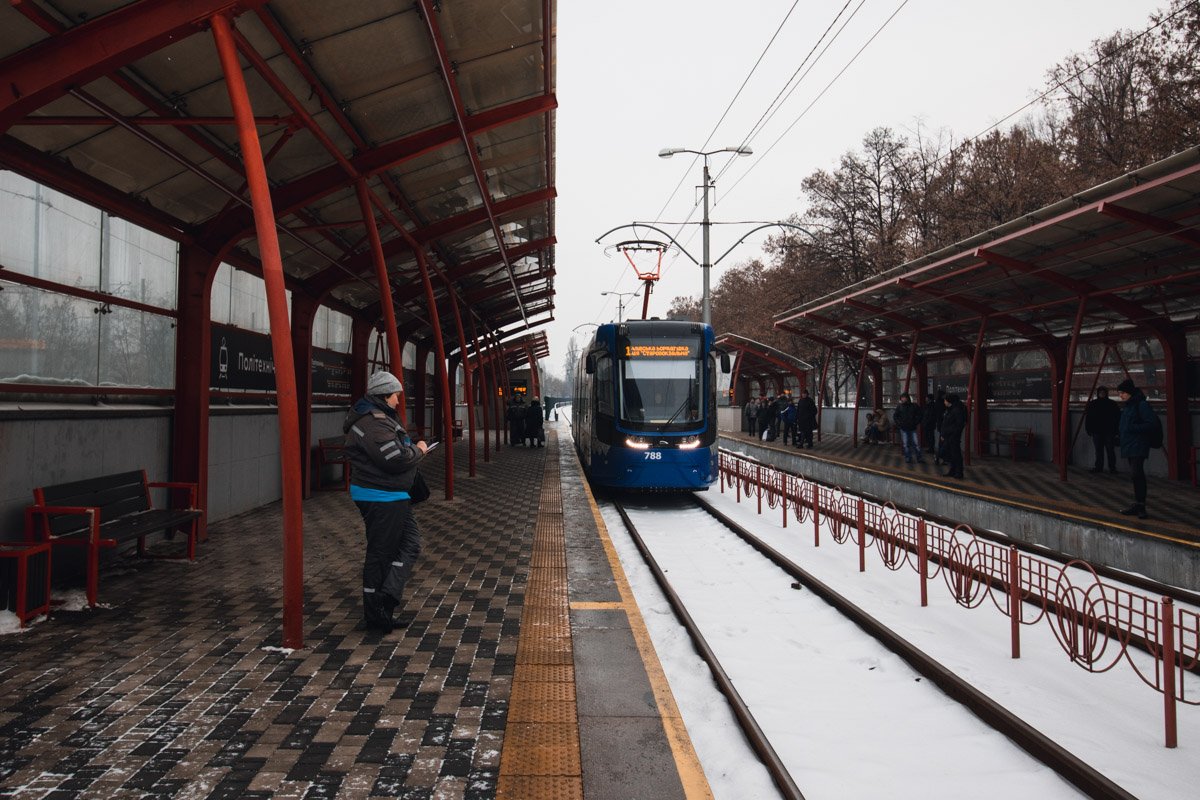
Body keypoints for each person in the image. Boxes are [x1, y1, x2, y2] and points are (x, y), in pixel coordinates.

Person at [344, 371, 428, 632]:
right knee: (381, 553)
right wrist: (419, 451)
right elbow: (395, 459)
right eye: (395, 395)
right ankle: (375, 614)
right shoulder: (372, 423)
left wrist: (410, 451)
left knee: (410, 544)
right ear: (384, 395)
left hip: (393, 494)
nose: (398, 400)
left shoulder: (380, 418)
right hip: (379, 495)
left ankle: (387, 599)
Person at [1116, 378, 1155, 519]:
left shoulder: (1141, 405)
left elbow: (1151, 424)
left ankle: (1141, 505)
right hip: (1130, 444)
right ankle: (1138, 504)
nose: (1120, 396)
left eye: (1122, 393)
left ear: (1129, 392)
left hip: (1138, 444)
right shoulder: (1129, 406)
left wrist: (1132, 428)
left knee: (1137, 473)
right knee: (1135, 475)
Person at [1084, 386, 1120, 474]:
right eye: (1101, 392)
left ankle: (1100, 467)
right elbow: (1117, 418)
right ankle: (1111, 468)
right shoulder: (1112, 404)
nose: (1102, 394)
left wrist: (1088, 429)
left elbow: (1089, 417)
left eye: (1103, 392)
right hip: (1107, 430)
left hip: (1099, 430)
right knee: (1108, 450)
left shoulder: (1093, 404)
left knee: (1100, 450)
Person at [940, 393, 967, 479]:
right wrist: (943, 434)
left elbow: (959, 424)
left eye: (945, 400)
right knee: (950, 454)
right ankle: (953, 470)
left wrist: (951, 433)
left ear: (949, 401)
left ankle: (958, 472)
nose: (944, 402)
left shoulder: (957, 410)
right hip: (948, 435)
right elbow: (946, 423)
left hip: (953, 436)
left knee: (955, 454)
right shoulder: (950, 409)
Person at [893, 392, 924, 464]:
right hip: (903, 428)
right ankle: (908, 458)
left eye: (903, 398)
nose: (902, 399)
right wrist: (899, 424)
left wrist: (915, 422)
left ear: (907, 398)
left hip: (912, 427)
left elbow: (920, 414)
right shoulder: (899, 407)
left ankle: (919, 458)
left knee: (916, 444)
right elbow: (895, 416)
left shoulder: (914, 406)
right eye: (901, 398)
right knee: (906, 444)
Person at [921, 390, 943, 460]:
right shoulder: (929, 405)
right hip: (928, 423)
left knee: (930, 436)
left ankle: (931, 448)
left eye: (926, 398)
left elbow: (931, 415)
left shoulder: (932, 405)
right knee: (929, 436)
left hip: (929, 423)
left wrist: (926, 422)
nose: (925, 399)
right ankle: (930, 448)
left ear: (929, 399)